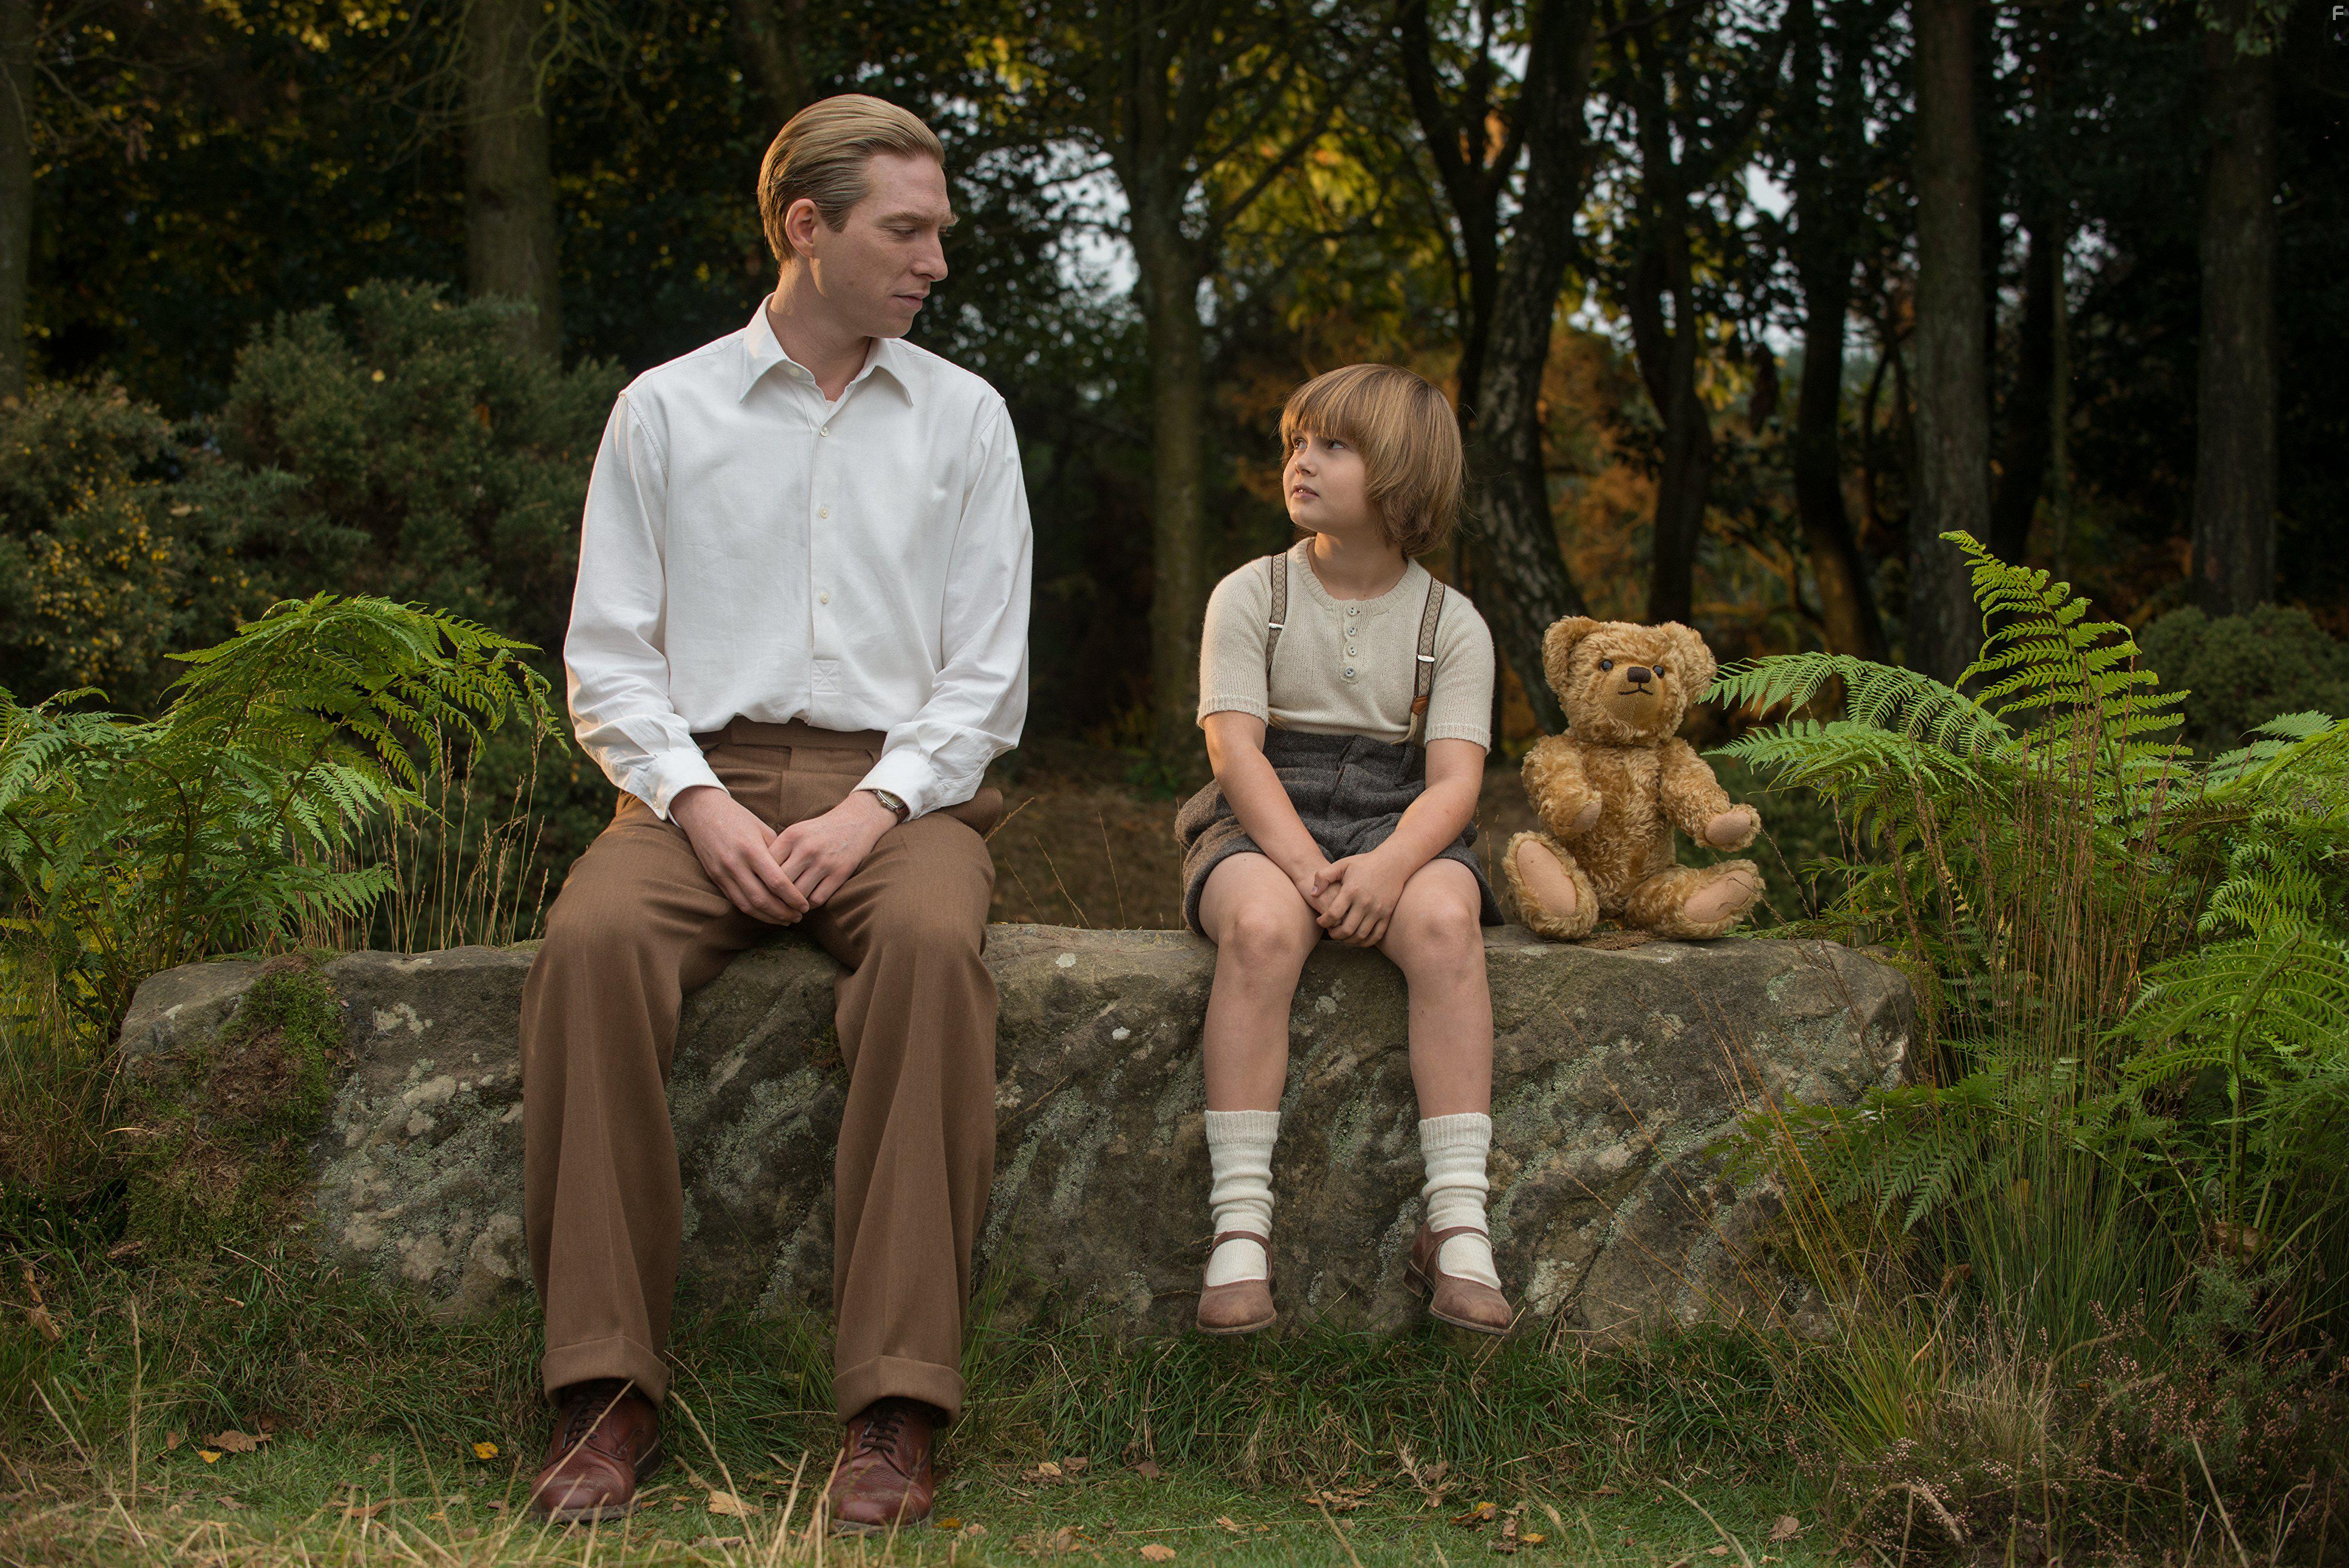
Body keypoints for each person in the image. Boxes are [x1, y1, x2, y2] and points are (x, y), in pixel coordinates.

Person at [519, 95, 1032, 1534]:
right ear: (807, 226)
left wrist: (870, 810)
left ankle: (894, 1403)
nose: (935, 260)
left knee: (929, 950)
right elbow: (609, 656)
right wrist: (694, 800)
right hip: (696, 784)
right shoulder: (664, 409)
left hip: (906, 794)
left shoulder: (966, 418)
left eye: (938, 231)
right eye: (906, 230)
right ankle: (602, 1387)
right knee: (591, 946)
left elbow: (988, 678)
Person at [1173, 363, 1516, 1339]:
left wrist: (1392, 866)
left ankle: (1457, 1220)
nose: (1302, 461)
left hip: (1396, 816)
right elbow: (1235, 751)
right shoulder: (1254, 594)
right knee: (1263, 926)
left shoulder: (1453, 624)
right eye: (1297, 442)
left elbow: (1454, 783)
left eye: (1333, 446)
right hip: (1262, 814)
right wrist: (1300, 868)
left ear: (1402, 475)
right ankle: (1241, 1222)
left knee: (1446, 923)